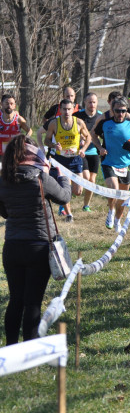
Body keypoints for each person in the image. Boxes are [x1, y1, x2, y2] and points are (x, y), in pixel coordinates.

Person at [0, 135, 71, 345]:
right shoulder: (40, 176)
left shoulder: (2, 179)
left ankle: (10, 348)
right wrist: (63, 176)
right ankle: (29, 349)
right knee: (32, 303)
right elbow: (64, 197)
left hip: (12, 247)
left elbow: (4, 212)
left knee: (15, 300)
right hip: (38, 247)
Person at [90, 96, 130, 232]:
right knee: (113, 189)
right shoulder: (105, 123)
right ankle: (111, 211)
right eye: (117, 111)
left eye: (123, 111)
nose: (120, 114)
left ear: (126, 111)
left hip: (125, 163)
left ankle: (118, 221)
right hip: (109, 161)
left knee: (123, 198)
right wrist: (100, 148)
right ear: (112, 110)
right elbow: (93, 135)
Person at [43, 99, 91, 222]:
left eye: (69, 109)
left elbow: (88, 137)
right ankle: (69, 214)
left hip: (75, 159)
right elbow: (46, 140)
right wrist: (54, 146)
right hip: (60, 160)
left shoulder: (79, 123)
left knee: (78, 191)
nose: (67, 112)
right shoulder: (54, 123)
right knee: (65, 188)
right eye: (64, 109)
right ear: (60, 109)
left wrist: (83, 148)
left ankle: (63, 203)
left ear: (73, 109)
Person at [74, 93, 102, 212]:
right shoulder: (77, 116)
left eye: (94, 102)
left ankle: (86, 205)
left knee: (92, 180)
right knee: (85, 177)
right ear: (85, 102)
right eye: (89, 102)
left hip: (94, 151)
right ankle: (72, 186)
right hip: (81, 151)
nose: (92, 105)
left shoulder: (101, 117)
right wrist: (79, 139)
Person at [38, 86, 78, 153]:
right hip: (57, 144)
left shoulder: (79, 109)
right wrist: (50, 130)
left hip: (73, 147)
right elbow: (45, 119)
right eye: (67, 96)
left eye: (71, 96)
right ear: (63, 96)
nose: (70, 98)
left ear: (75, 96)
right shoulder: (56, 108)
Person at [1, 94, 32, 159]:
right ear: (2, 104)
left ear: (14, 106)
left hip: (15, 154)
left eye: (11, 104)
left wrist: (24, 139)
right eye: (7, 103)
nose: (9, 106)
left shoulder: (19, 119)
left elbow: (29, 130)